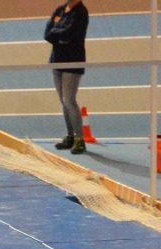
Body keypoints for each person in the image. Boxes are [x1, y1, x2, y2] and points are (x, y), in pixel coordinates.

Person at [45, 0, 89, 155]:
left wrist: (56, 33)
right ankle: (70, 136)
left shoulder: (81, 12)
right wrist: (59, 36)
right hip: (56, 60)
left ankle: (79, 139)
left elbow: (70, 33)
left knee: (69, 100)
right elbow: (47, 33)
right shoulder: (60, 9)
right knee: (63, 101)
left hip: (72, 61)